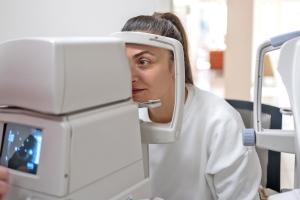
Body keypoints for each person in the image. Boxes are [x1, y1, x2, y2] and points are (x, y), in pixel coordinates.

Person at [122, 12, 261, 200]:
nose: (131, 76)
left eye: (143, 62)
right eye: (124, 63)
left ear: (175, 65)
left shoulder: (221, 123)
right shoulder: (123, 121)